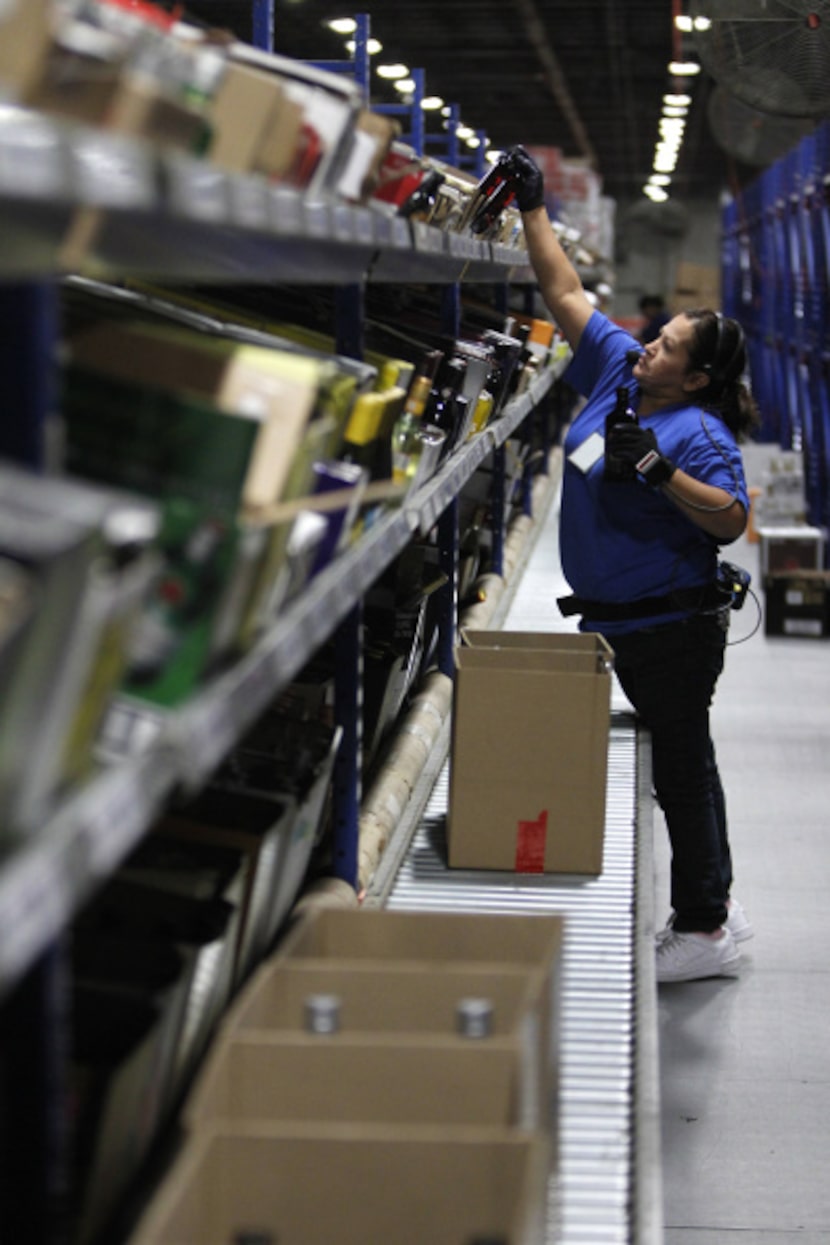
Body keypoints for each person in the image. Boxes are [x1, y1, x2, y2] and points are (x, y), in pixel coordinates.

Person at [506, 145, 760, 984]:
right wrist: (533, 207)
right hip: (628, 623)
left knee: (682, 770)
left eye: (669, 346)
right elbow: (566, 293)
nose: (650, 344)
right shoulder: (621, 369)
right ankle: (716, 898)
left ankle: (703, 928)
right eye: (656, 335)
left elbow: (732, 521)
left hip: (673, 629)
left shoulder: (702, 436)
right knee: (690, 761)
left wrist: (658, 470)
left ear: (695, 380)